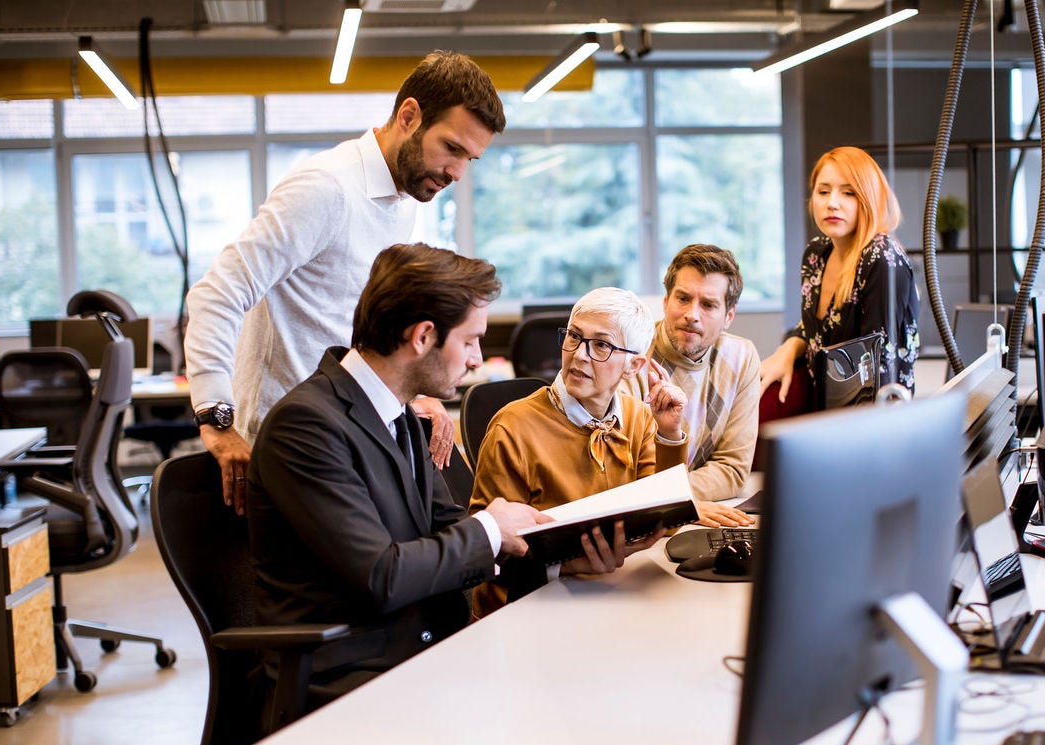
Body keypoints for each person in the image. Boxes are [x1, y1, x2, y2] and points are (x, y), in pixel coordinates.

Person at [249, 243, 631, 701]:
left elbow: (442, 526)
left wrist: (561, 555)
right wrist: (492, 526)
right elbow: (381, 576)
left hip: (426, 650)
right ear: (423, 336)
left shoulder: (398, 414)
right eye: (470, 341)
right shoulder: (307, 425)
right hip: (350, 678)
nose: (476, 359)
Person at [185, 51, 505, 514]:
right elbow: (218, 292)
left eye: (469, 159)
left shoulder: (406, 198)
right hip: (288, 438)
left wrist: (411, 394)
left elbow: (369, 321)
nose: (457, 172)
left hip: (350, 424)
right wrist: (217, 419)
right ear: (409, 116)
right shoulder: (326, 189)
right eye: (452, 148)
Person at [469, 287, 687, 607]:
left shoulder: (639, 417)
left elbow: (662, 522)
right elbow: (485, 551)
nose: (580, 354)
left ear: (634, 366)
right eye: (574, 336)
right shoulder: (513, 427)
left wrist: (669, 434)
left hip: (607, 593)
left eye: (601, 345)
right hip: (524, 607)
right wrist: (566, 565)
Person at [759, 146, 919, 411]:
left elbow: (879, 370)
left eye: (848, 193)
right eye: (823, 192)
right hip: (822, 410)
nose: (832, 202)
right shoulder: (817, 254)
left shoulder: (881, 259)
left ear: (868, 199)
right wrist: (788, 348)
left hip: (869, 423)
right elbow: (816, 331)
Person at [623, 244, 760, 528]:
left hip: (689, 515)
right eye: (683, 298)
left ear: (729, 316)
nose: (692, 314)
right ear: (665, 302)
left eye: (708, 305)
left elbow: (733, 468)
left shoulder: (742, 358)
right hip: (639, 523)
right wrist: (675, 502)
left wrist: (671, 498)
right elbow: (622, 479)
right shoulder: (629, 356)